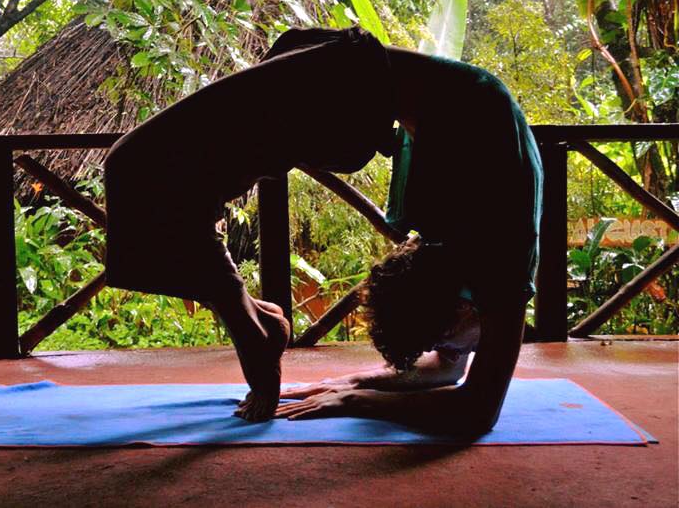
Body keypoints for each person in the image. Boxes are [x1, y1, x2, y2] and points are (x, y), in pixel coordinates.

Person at [104, 26, 542, 431]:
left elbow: (458, 384)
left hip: (370, 76)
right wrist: (358, 389)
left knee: (135, 171)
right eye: (449, 340)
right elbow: (472, 406)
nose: (457, 351)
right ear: (460, 312)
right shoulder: (496, 251)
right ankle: (240, 308)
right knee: (132, 169)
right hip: (374, 81)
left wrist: (357, 394)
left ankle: (242, 309)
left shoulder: (458, 261)